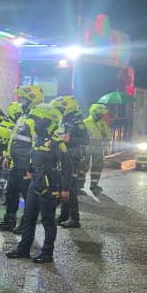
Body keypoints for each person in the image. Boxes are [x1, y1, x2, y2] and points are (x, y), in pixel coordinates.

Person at [6, 103, 71, 264]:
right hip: (35, 184)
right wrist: (28, 171)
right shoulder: (38, 140)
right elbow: (32, 157)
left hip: (50, 187)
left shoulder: (57, 143)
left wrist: (65, 189)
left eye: (40, 120)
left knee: (48, 221)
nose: (36, 123)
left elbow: (68, 167)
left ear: (51, 122)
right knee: (28, 218)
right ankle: (23, 249)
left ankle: (47, 253)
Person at [0, 85, 45, 232]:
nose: (21, 101)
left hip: (26, 165)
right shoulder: (24, 116)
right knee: (11, 192)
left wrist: (31, 166)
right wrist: (7, 156)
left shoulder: (36, 119)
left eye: (23, 98)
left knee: (28, 197)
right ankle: (9, 221)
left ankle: (26, 225)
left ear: (32, 100)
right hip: (17, 163)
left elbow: (37, 144)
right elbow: (13, 138)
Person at [54, 96, 87, 229]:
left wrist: (71, 139)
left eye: (61, 108)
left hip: (73, 157)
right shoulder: (64, 120)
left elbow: (85, 139)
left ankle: (74, 218)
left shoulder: (78, 122)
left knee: (71, 187)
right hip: (64, 156)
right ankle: (64, 215)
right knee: (64, 185)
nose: (59, 110)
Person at [82, 103, 113, 193]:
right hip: (87, 146)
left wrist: (107, 140)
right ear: (94, 113)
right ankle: (79, 185)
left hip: (99, 147)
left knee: (97, 166)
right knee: (83, 166)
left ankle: (94, 185)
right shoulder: (85, 122)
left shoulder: (102, 123)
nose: (101, 116)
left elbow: (108, 135)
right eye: (100, 114)